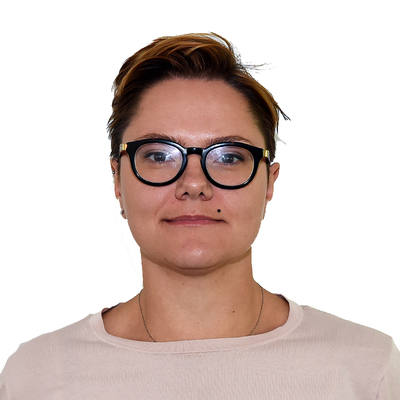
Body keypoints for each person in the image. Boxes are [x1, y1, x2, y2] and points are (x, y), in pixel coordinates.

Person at [0, 32, 399, 399]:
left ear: (269, 182)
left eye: (228, 156)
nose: (194, 184)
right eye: (159, 155)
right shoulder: (36, 378)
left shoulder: (367, 370)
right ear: (118, 180)